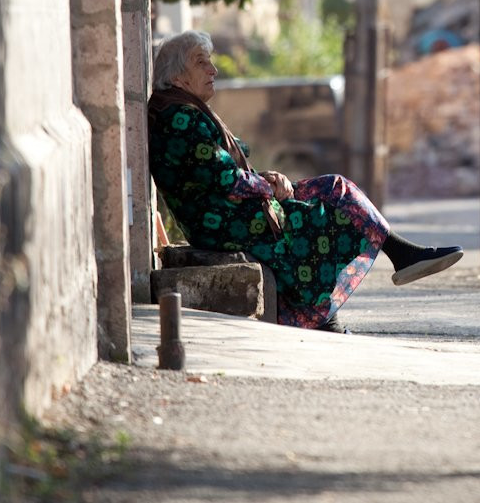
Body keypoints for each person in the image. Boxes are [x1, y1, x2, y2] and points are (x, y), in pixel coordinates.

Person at [148, 30, 462, 332]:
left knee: (336, 189)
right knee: (325, 218)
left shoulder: (181, 109)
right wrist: (270, 188)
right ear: (177, 77)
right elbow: (225, 178)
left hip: (232, 211)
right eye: (201, 62)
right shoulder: (180, 118)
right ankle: (340, 308)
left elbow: (217, 174)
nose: (213, 69)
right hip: (227, 222)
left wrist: (267, 179)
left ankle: (399, 258)